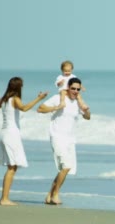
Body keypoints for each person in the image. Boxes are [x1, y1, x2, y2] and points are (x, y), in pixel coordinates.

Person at [0, 77, 48, 205]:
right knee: (11, 168)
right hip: (11, 135)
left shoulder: (5, 99)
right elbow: (24, 108)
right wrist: (39, 98)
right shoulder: (15, 99)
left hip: (4, 134)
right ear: (18, 87)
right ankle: (4, 199)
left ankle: (5, 198)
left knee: (12, 167)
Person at [37, 77, 91, 205]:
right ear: (68, 88)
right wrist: (56, 107)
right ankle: (55, 195)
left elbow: (88, 117)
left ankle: (49, 195)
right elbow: (40, 108)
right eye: (73, 88)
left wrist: (86, 110)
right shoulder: (58, 98)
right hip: (57, 136)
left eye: (78, 89)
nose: (76, 91)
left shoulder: (78, 102)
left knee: (65, 168)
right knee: (66, 166)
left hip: (70, 139)